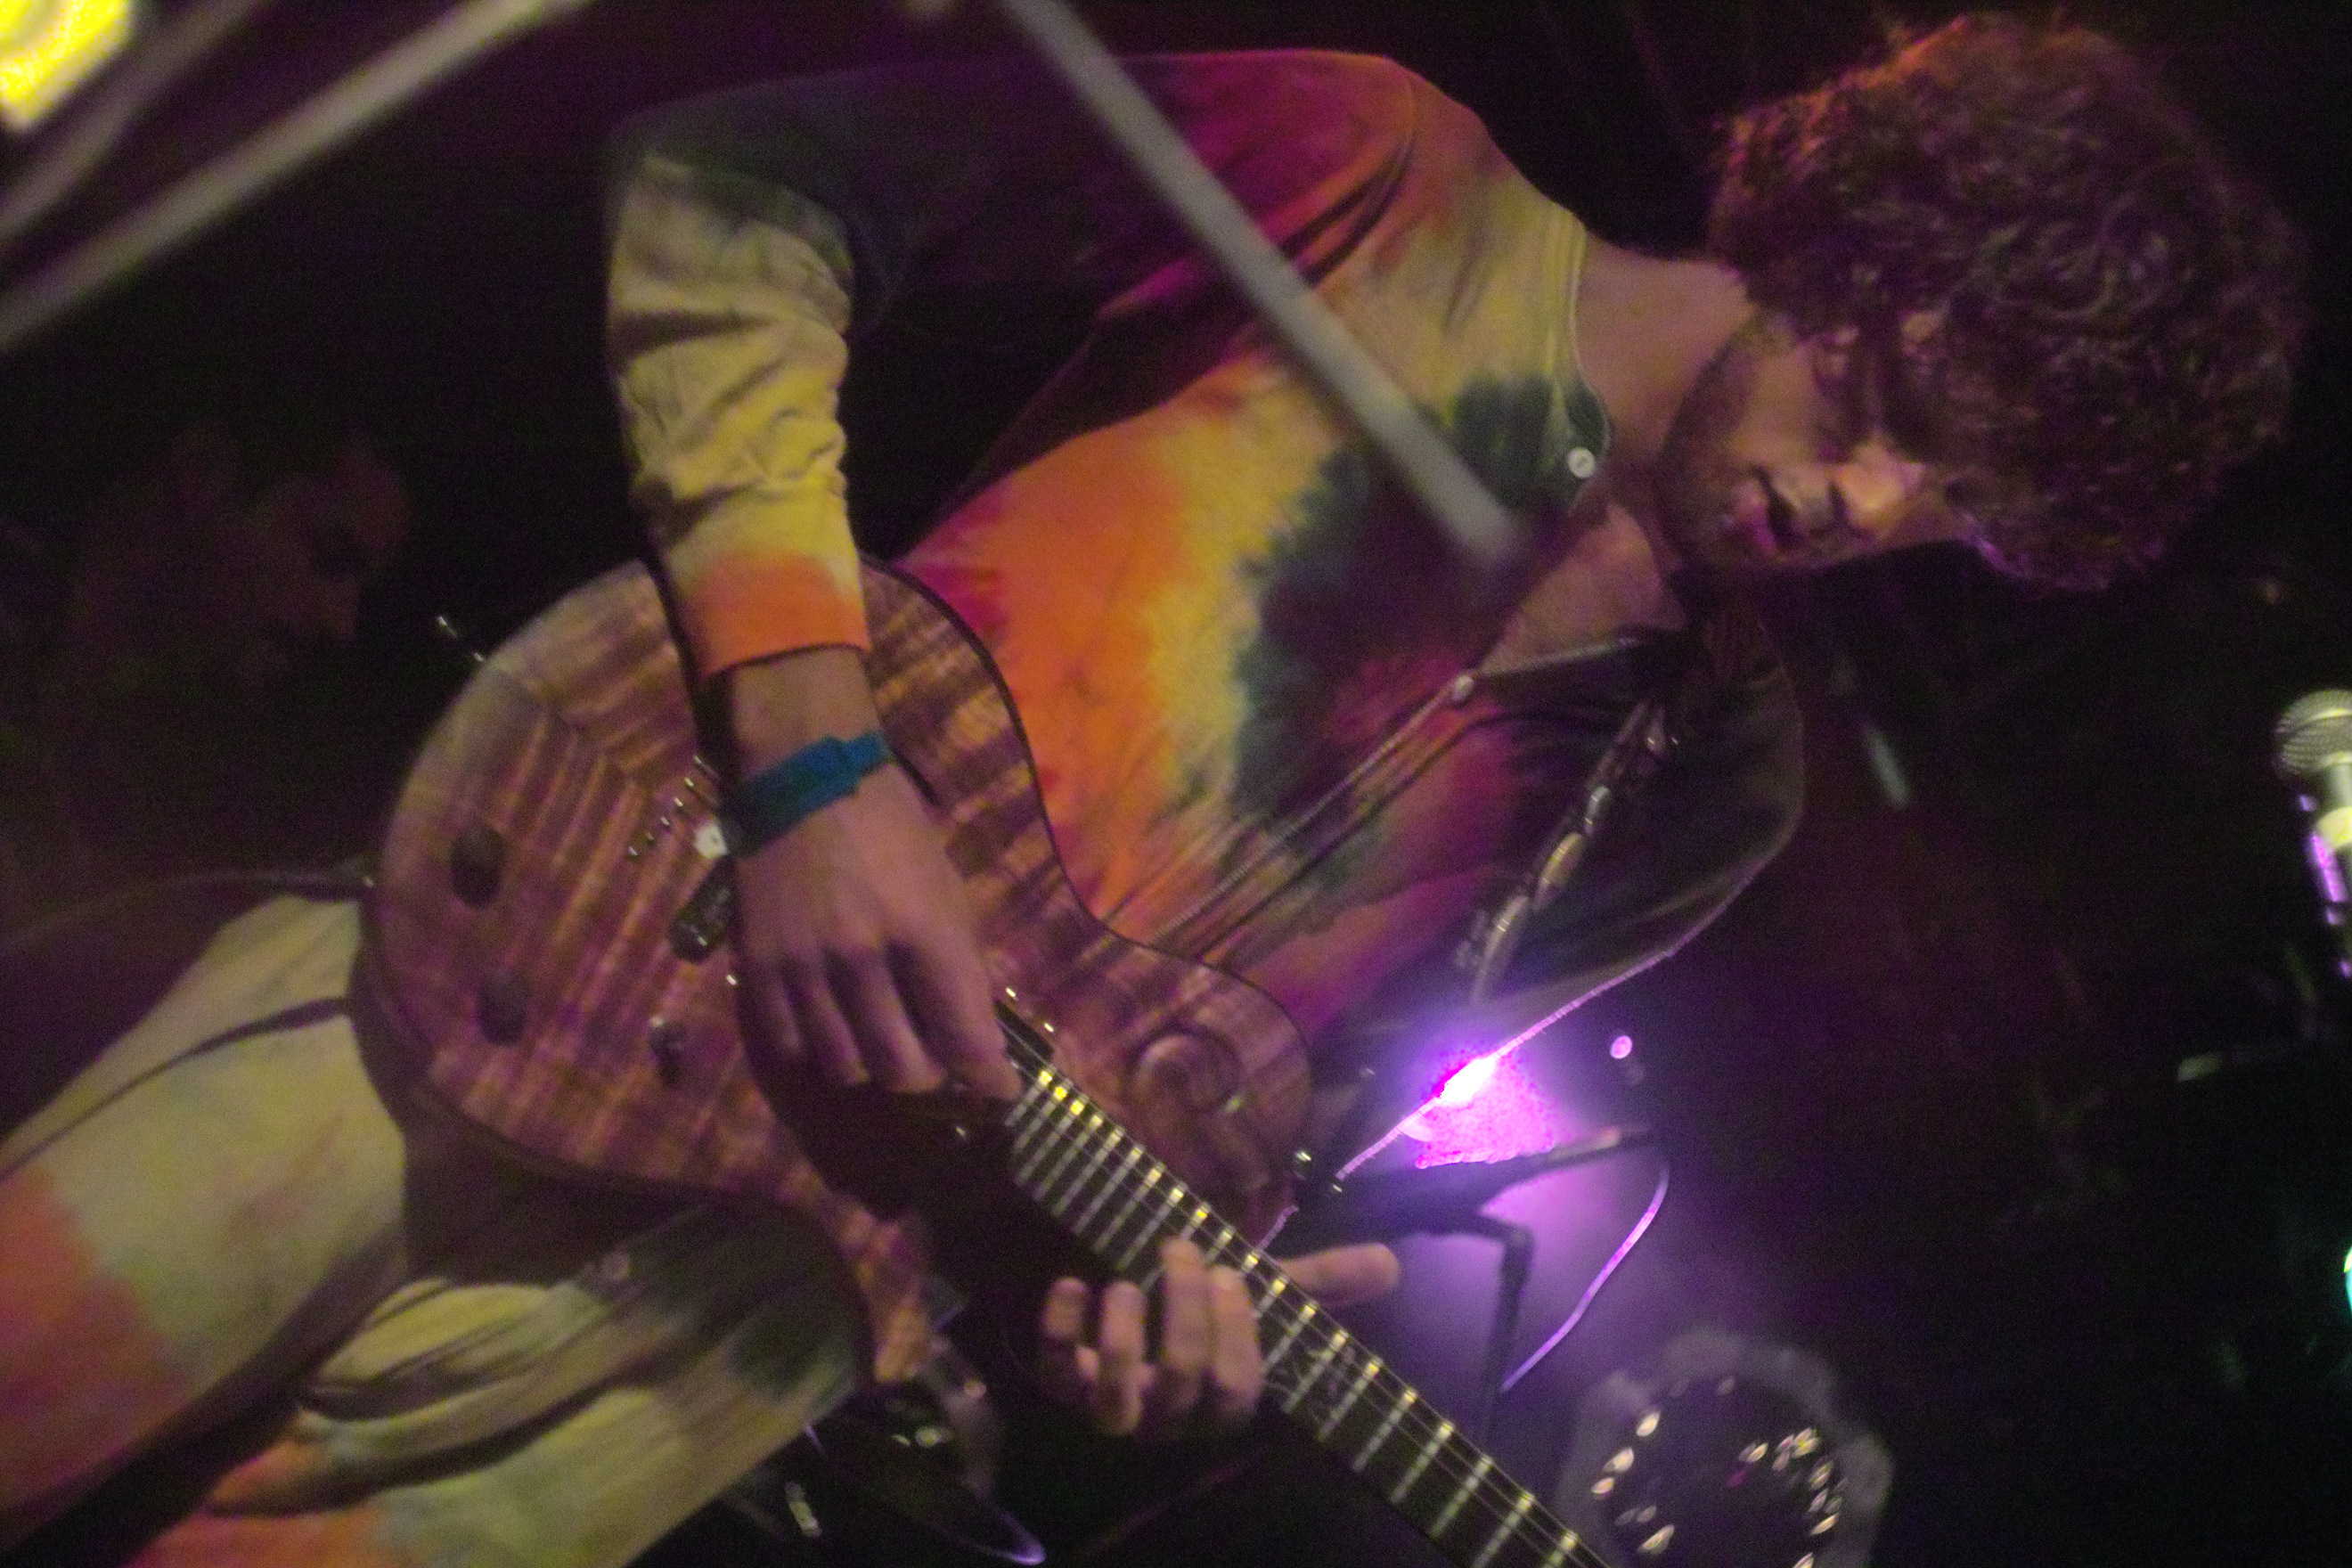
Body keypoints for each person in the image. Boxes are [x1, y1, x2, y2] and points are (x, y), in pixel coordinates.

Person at [0, 16, 2301, 1567]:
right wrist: (816, 760)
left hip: (731, 1330)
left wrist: (1148, 1304)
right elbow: (730, 193)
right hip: (532, 964)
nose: (1864, 502)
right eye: (1892, 406)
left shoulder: (1713, 786)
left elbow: (1257, 1125)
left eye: (1953, 504)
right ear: (1862, 249)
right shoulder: (1387, 177)